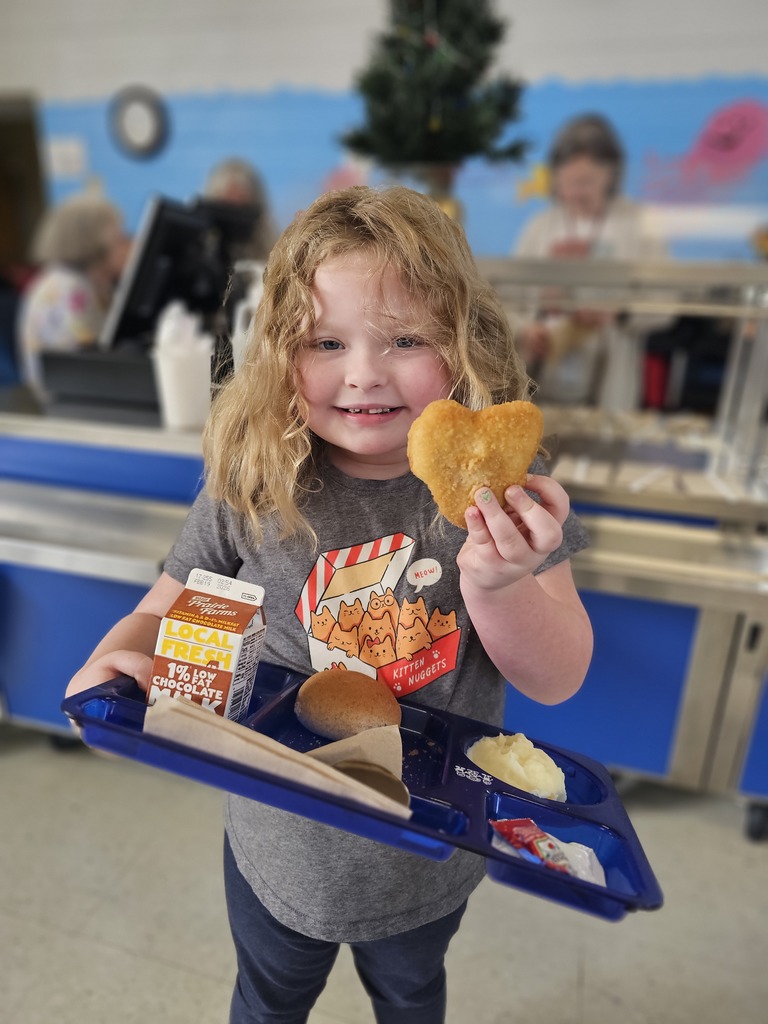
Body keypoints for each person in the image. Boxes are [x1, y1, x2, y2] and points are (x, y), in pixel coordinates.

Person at [66, 185, 593, 1024]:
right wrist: (113, 662)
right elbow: (163, 607)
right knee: (269, 999)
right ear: (279, 352)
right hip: (278, 847)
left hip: (424, 858)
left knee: (412, 998)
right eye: (325, 341)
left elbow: (559, 675)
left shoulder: (501, 497)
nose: (363, 374)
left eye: (407, 339)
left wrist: (499, 582)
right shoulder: (253, 478)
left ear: (463, 345)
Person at [513, 113, 669, 410]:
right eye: (567, 182)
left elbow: (666, 303)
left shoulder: (639, 224)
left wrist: (618, 312)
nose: (574, 193)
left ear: (611, 176)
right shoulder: (539, 226)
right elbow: (507, 301)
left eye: (585, 182)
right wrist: (525, 330)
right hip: (543, 370)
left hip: (608, 374)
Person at [16, 192, 129, 401]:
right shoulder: (69, 287)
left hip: (70, 392)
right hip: (61, 399)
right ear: (92, 240)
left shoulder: (82, 280)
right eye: (118, 238)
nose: (123, 245)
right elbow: (86, 355)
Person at [203, 157, 279, 262]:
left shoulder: (273, 256)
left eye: (243, 208)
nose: (234, 217)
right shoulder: (200, 252)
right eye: (226, 207)